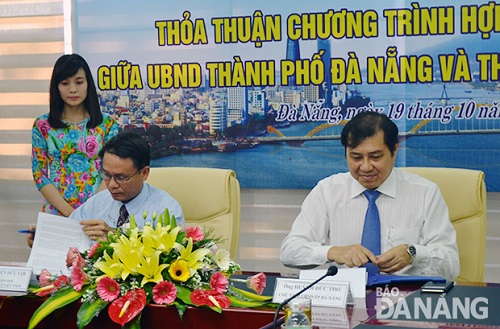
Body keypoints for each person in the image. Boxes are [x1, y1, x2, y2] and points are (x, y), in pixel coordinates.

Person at [280, 111, 460, 280]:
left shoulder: (425, 193)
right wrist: (333, 252)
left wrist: (414, 253)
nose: (365, 167)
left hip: (406, 302)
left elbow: (451, 265)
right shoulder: (327, 191)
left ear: (394, 150)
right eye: (356, 157)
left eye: (375, 157)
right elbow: (289, 252)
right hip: (347, 301)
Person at [27, 130, 185, 246]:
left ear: (144, 173)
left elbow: (167, 259)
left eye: (121, 177)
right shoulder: (98, 202)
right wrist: (43, 240)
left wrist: (116, 238)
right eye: (107, 175)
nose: (112, 185)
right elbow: (69, 238)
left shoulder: (167, 209)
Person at [31, 54, 119, 217]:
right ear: (56, 86)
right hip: (57, 212)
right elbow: (40, 176)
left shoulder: (107, 125)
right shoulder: (43, 125)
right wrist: (71, 214)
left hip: (98, 212)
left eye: (79, 82)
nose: (73, 89)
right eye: (65, 83)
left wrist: (91, 212)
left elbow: (111, 173)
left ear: (88, 84)